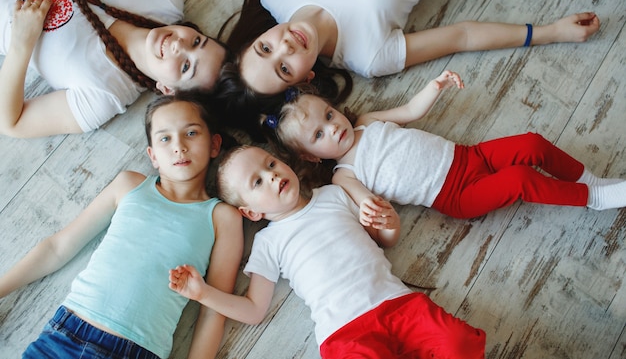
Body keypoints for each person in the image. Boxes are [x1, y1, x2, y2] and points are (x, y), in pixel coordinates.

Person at [169, 145, 486, 358]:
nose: (273, 175)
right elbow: (254, 310)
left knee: (457, 343)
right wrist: (203, 293)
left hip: (398, 304)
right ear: (250, 212)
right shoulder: (268, 242)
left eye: (271, 164)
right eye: (258, 182)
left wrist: (389, 221)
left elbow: (382, 239)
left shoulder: (334, 195)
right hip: (345, 331)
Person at [0, 93, 243, 359]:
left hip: (135, 352)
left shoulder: (222, 218)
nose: (179, 147)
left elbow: (212, 312)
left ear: (214, 144)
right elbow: (57, 248)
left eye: (192, 133)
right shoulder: (130, 186)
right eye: (165, 138)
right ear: (153, 156)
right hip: (64, 336)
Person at [214, 0, 600, 102]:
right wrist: (550, 33)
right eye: (283, 68)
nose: (285, 46)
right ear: (304, 80)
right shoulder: (370, 55)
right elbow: (462, 36)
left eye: (265, 47)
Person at [262, 70, 626, 225]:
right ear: (311, 156)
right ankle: (592, 199)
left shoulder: (367, 122)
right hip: (456, 195)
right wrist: (371, 210)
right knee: (519, 178)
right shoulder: (345, 175)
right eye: (319, 135)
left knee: (531, 143)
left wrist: (435, 86)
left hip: (470, 155)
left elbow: (408, 111)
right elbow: (368, 204)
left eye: (328, 114)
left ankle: (591, 180)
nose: (333, 127)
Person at [0, 0, 229, 138]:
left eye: (186, 66)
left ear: (168, 89)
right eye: (197, 42)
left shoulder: (103, 96)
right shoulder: (165, 4)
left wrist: (21, 45)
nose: (180, 45)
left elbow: (12, 123)